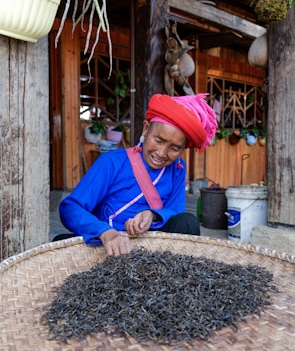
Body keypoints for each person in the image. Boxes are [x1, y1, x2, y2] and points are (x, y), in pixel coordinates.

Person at [55, 93, 217, 256]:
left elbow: (175, 211)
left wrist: (153, 215)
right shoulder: (112, 162)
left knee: (187, 222)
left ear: (183, 149)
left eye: (174, 148)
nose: (161, 153)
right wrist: (105, 232)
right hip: (109, 246)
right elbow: (71, 207)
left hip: (152, 249)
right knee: (59, 243)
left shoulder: (178, 169)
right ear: (146, 129)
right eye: (159, 140)